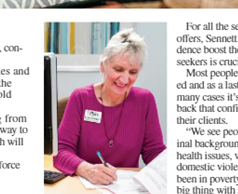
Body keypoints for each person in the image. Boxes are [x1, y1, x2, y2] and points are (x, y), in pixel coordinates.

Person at [53, 29, 166, 185]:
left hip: (125, 188)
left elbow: (154, 152)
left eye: (133, 72)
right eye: (118, 69)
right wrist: (87, 170)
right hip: (85, 185)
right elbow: (60, 151)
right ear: (103, 66)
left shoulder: (145, 100)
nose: (125, 79)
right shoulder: (81, 98)